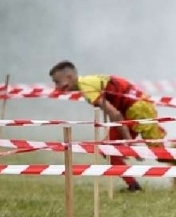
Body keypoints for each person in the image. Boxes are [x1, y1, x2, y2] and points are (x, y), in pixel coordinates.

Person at [48, 61, 164, 193]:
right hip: (135, 107)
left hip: (137, 110)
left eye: (57, 82)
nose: (57, 87)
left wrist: (129, 142)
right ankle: (133, 185)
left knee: (161, 154)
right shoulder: (88, 82)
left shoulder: (87, 88)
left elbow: (115, 115)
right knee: (107, 149)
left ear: (69, 77)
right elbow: (115, 110)